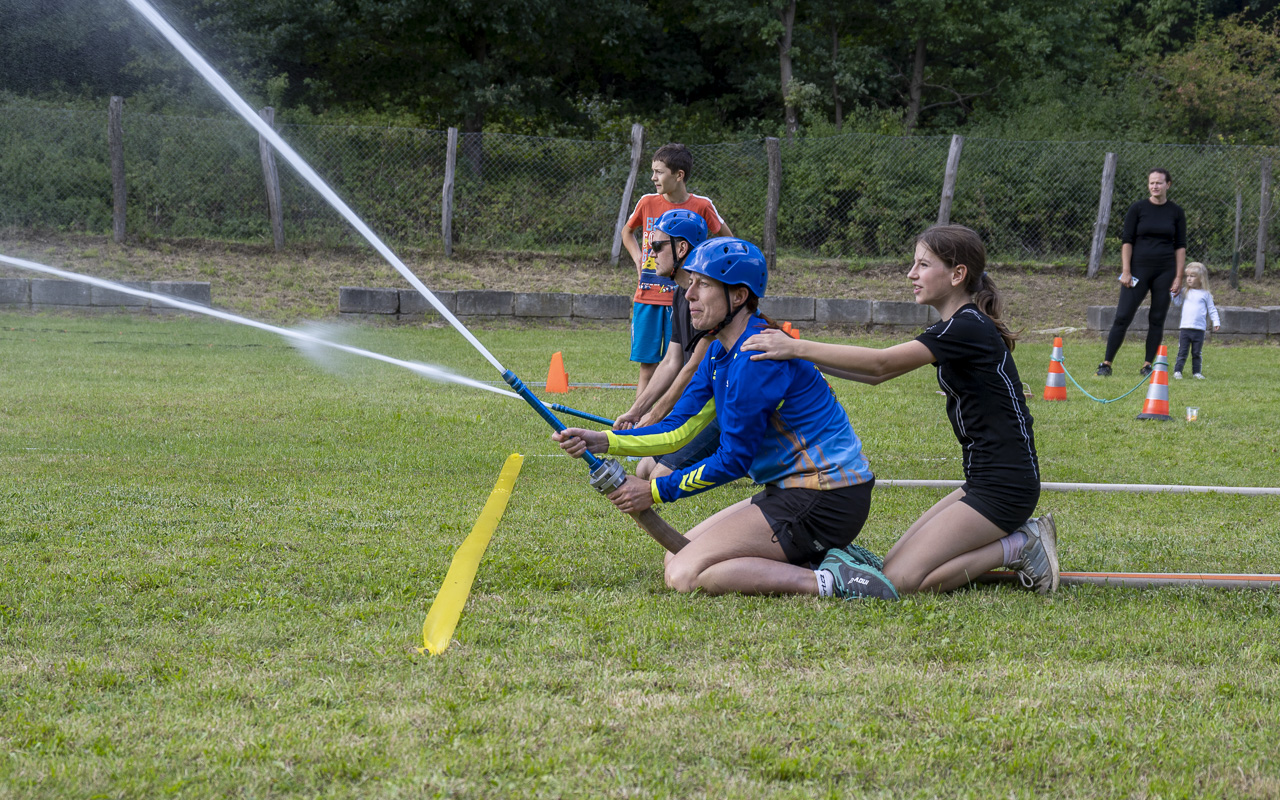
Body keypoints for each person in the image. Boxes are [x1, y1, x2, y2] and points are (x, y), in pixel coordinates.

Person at [553, 238, 895, 600]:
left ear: (737, 296)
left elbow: (733, 459)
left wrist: (653, 491)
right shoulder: (720, 350)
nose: (689, 295)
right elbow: (677, 429)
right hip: (793, 493)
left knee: (684, 574)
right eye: (691, 282)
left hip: (827, 498)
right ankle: (825, 555)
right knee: (677, 556)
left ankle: (830, 581)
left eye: (704, 284)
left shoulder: (757, 357)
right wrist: (603, 440)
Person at [742, 224, 1059, 596]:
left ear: (957, 275)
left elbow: (881, 364)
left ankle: (1021, 544)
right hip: (984, 480)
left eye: (923, 265)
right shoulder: (958, 325)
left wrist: (797, 347)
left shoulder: (967, 327)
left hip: (1006, 486)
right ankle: (1012, 542)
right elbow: (877, 376)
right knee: (890, 567)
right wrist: (797, 353)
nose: (911, 274)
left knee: (900, 583)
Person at [613, 209, 720, 481]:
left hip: (720, 407)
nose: (649, 254)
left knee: (657, 476)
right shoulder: (679, 293)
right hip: (701, 401)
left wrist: (658, 414)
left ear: (682, 247)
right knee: (643, 468)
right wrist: (637, 411)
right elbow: (672, 361)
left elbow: (695, 365)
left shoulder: (709, 297)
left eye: (657, 246)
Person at [620, 143, 733, 401]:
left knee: (684, 362)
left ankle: (675, 418)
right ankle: (639, 421)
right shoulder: (647, 202)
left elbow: (728, 242)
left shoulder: (702, 205)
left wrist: (707, 273)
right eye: (653, 171)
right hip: (648, 296)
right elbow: (627, 232)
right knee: (648, 365)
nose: (653, 178)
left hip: (685, 297)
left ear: (678, 175)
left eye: (659, 172)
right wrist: (639, 258)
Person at [1097, 168, 1187, 378]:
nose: (1155, 186)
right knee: (1122, 316)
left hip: (1165, 271)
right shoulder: (1137, 209)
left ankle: (1148, 365)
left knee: (1157, 318)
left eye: (1159, 183)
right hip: (1138, 270)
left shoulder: (1176, 212)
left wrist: (1178, 276)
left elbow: (1180, 246)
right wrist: (1126, 271)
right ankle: (1106, 363)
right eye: (1151, 183)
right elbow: (1127, 241)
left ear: (1168, 185)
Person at [1170, 261, 1220, 380]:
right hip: (1185, 328)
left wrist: (1216, 322)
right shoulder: (1184, 291)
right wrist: (1172, 294)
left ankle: (1196, 372)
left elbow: (1212, 309)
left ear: (1201, 278)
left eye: (1192, 276)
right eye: (1187, 276)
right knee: (1182, 351)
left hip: (1199, 329)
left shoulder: (1206, 294)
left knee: (1196, 353)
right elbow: (1177, 303)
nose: (1189, 279)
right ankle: (1178, 371)